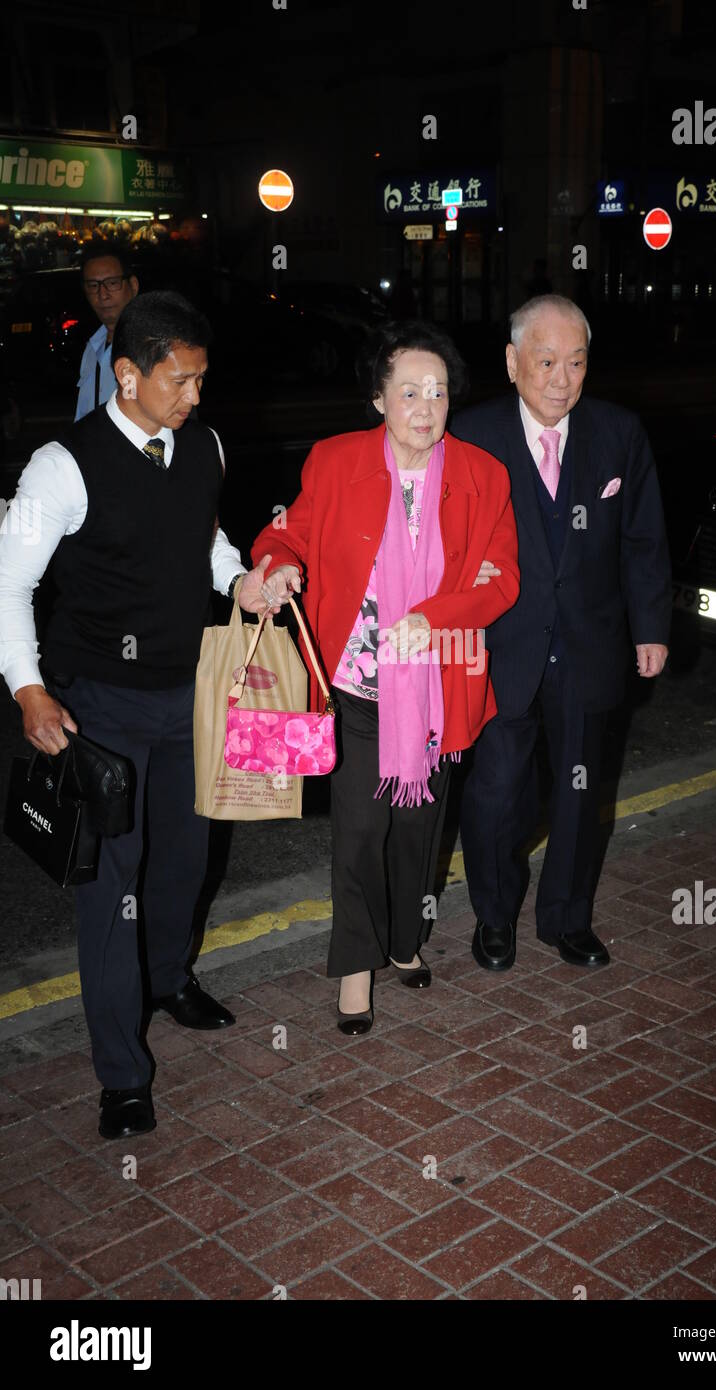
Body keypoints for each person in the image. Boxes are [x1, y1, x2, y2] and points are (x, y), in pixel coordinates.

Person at [0, 291, 276, 1140]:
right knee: (107, 890)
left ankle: (168, 978)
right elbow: (11, 583)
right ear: (128, 375)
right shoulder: (63, 464)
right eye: (179, 382)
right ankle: (121, 1072)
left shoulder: (206, 447)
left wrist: (241, 582)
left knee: (185, 861)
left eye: (200, 380)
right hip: (102, 708)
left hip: (188, 689)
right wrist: (27, 685)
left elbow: (207, 543)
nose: (195, 397)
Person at [251, 320, 520, 1035]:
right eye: (408, 392)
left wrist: (436, 616)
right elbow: (288, 535)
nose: (426, 407)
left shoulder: (481, 475)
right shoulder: (336, 461)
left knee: (417, 831)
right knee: (361, 830)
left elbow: (501, 578)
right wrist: (278, 566)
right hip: (354, 686)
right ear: (377, 399)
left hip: (435, 689)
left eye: (437, 392)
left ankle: (404, 940)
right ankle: (355, 967)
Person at [450, 294, 671, 972]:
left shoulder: (617, 433)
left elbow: (642, 538)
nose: (560, 378)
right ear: (513, 362)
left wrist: (650, 626)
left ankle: (565, 918)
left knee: (580, 790)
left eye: (574, 362)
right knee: (494, 793)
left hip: (588, 643)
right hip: (497, 646)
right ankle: (493, 917)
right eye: (544, 361)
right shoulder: (471, 434)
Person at [75, 242, 139, 420]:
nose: (103, 295)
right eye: (93, 286)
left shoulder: (150, 347)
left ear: (133, 286)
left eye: (112, 283)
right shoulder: (92, 348)